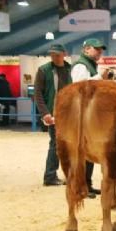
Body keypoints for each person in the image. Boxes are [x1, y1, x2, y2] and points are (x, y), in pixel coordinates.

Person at [71, 38, 111, 198]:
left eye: (101, 50)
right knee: (82, 152)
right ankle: (81, 187)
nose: (99, 52)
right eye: (96, 49)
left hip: (89, 113)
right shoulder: (81, 65)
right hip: (81, 113)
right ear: (86, 49)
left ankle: (87, 184)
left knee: (88, 151)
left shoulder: (90, 65)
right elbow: (79, 87)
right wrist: (100, 77)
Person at [34, 44, 72, 186]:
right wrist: (45, 113)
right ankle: (50, 176)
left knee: (69, 145)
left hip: (70, 115)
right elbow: (38, 94)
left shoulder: (71, 70)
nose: (54, 57)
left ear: (64, 54)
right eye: (52, 54)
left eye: (57, 54)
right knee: (55, 144)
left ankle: (68, 175)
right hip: (54, 114)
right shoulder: (44, 70)